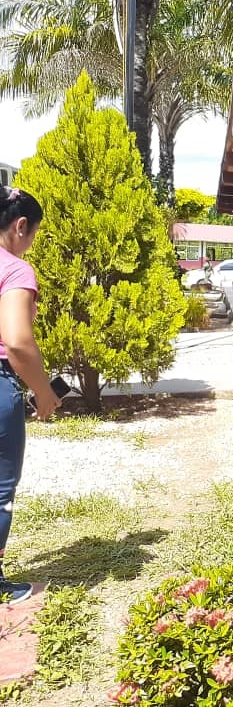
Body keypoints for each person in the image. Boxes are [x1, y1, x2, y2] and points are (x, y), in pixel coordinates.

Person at [0, 187, 61, 605]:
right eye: (33, 234)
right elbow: (18, 342)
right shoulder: (16, 270)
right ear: (20, 226)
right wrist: (43, 394)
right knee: (0, 488)